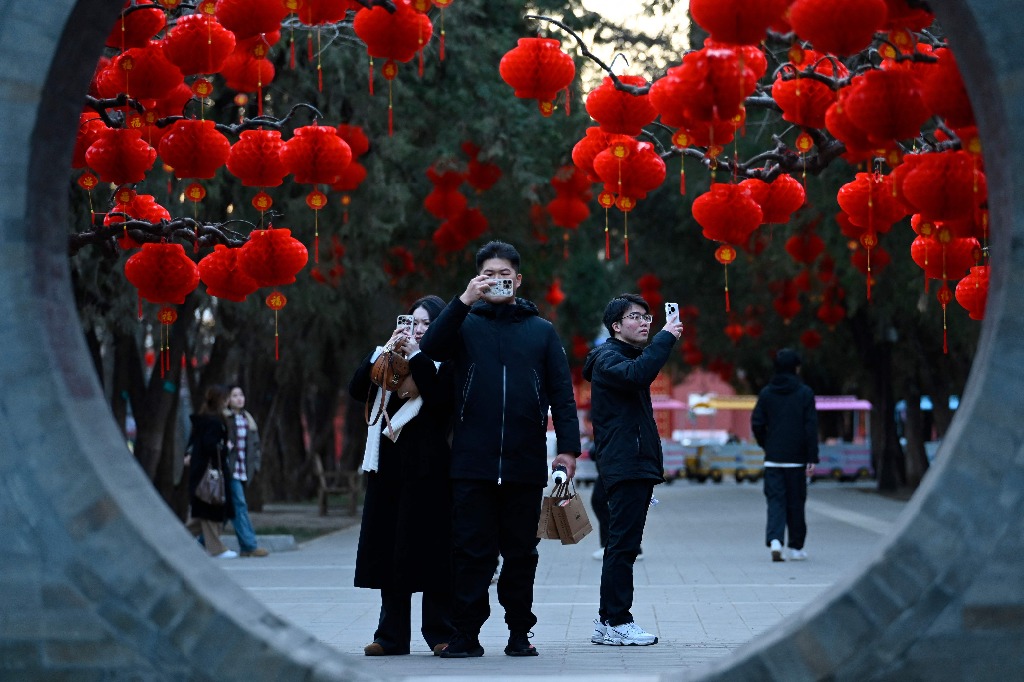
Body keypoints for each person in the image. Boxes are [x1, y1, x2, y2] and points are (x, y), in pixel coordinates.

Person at [420, 240, 581, 659]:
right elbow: (432, 347)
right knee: (470, 554)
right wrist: (463, 300)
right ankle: (466, 635)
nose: (496, 280)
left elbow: (563, 395)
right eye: (487, 274)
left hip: (524, 464)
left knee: (521, 555)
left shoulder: (541, 331)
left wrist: (568, 449)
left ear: (519, 279)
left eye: (503, 274)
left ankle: (518, 633)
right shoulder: (464, 325)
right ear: (478, 278)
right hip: (472, 462)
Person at [348, 295, 456, 657]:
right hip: (389, 470)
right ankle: (391, 635)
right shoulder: (389, 358)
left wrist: (415, 355)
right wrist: (382, 351)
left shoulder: (444, 362)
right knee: (391, 551)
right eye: (413, 321)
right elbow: (356, 389)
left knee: (434, 552)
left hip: (431, 472)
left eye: (426, 323)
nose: (418, 329)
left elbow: (441, 401)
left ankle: (441, 631)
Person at [583, 293, 682, 646]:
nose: (644, 322)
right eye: (635, 317)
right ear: (616, 326)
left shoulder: (622, 357)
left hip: (634, 463)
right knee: (623, 548)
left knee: (622, 546)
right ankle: (617, 620)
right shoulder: (609, 359)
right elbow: (639, 374)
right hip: (625, 464)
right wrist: (665, 338)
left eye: (648, 317)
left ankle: (606, 622)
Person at [751, 348, 819, 563]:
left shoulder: (767, 393)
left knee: (775, 502)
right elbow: (810, 427)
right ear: (795, 368)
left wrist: (767, 445)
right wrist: (811, 457)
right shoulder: (805, 393)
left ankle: (775, 541)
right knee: (796, 503)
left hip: (773, 458)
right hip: (797, 460)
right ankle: (797, 548)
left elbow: (757, 424)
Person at [185, 384, 236, 559]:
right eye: (226, 398)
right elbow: (210, 445)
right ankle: (216, 549)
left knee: (200, 516)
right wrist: (224, 448)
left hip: (201, 472)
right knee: (209, 510)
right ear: (220, 400)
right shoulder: (214, 422)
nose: (228, 401)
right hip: (209, 473)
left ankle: (173, 543)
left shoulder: (204, 420)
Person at [223, 385, 267, 557]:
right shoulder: (224, 419)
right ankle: (249, 545)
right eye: (234, 395)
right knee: (240, 504)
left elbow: (255, 446)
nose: (239, 398)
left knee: (227, 510)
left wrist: (255, 465)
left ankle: (200, 544)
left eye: (241, 394)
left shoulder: (247, 419)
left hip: (243, 470)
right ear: (227, 399)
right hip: (229, 470)